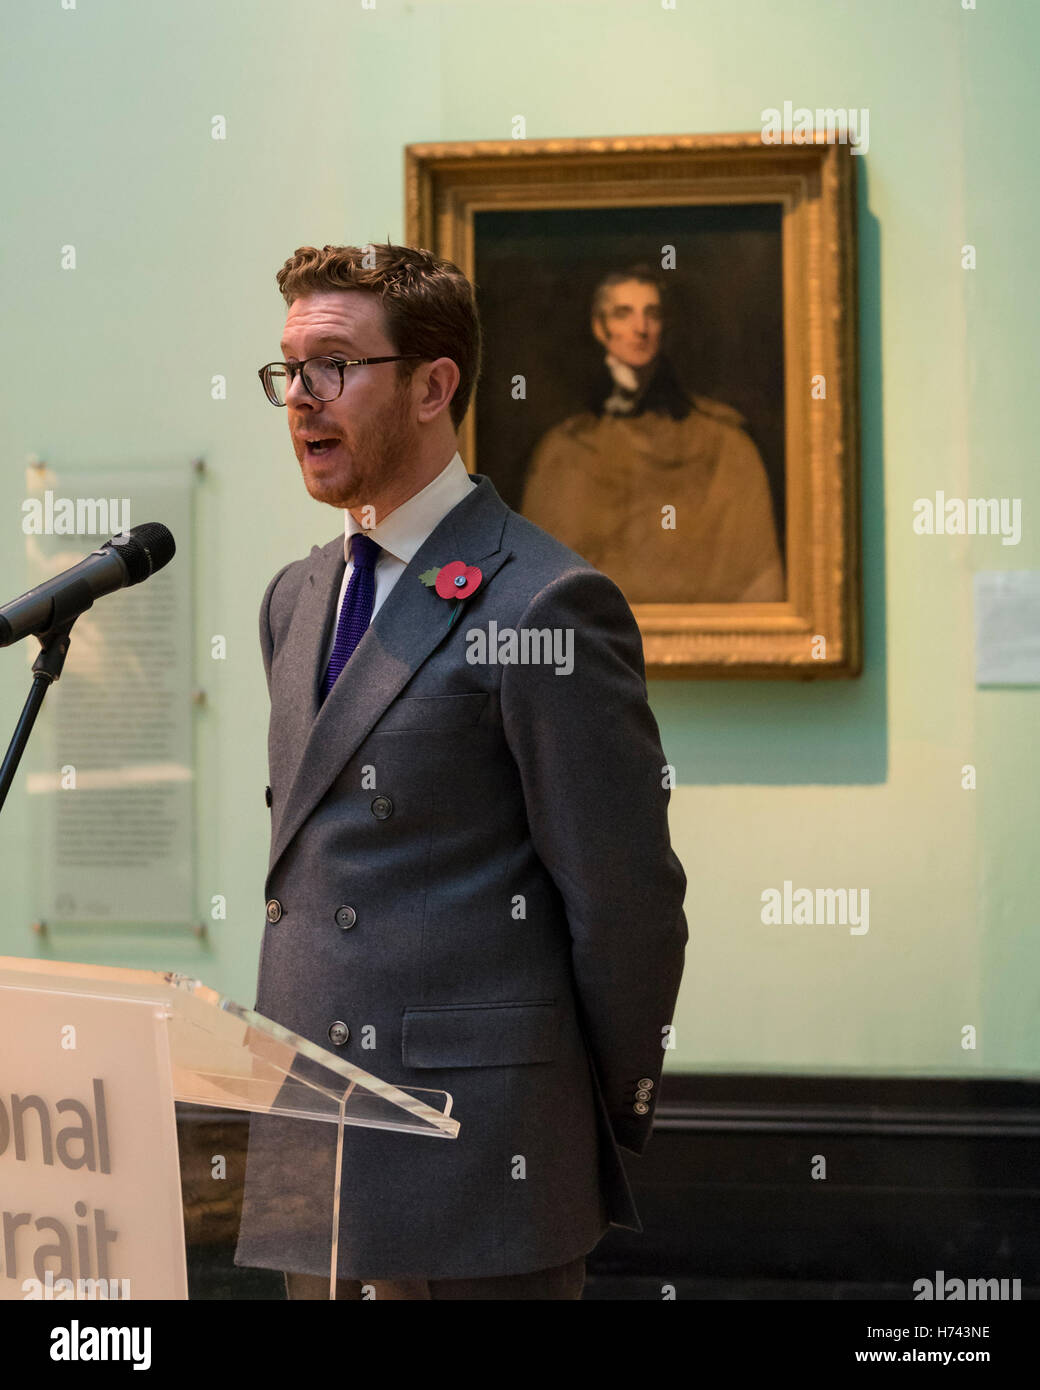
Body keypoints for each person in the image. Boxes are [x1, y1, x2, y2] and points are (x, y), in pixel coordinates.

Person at [233, 241, 688, 1300]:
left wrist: (573, 1112)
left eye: (334, 366)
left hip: (476, 1161)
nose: (300, 398)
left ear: (434, 386)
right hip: (313, 1150)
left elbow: (625, 904)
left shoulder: (544, 603)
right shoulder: (295, 599)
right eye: (288, 370)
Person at [520, 266, 785, 604]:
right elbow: (537, 589)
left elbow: (758, 580)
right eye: (623, 314)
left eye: (652, 314)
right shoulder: (564, 450)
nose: (640, 328)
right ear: (600, 328)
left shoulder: (722, 442)